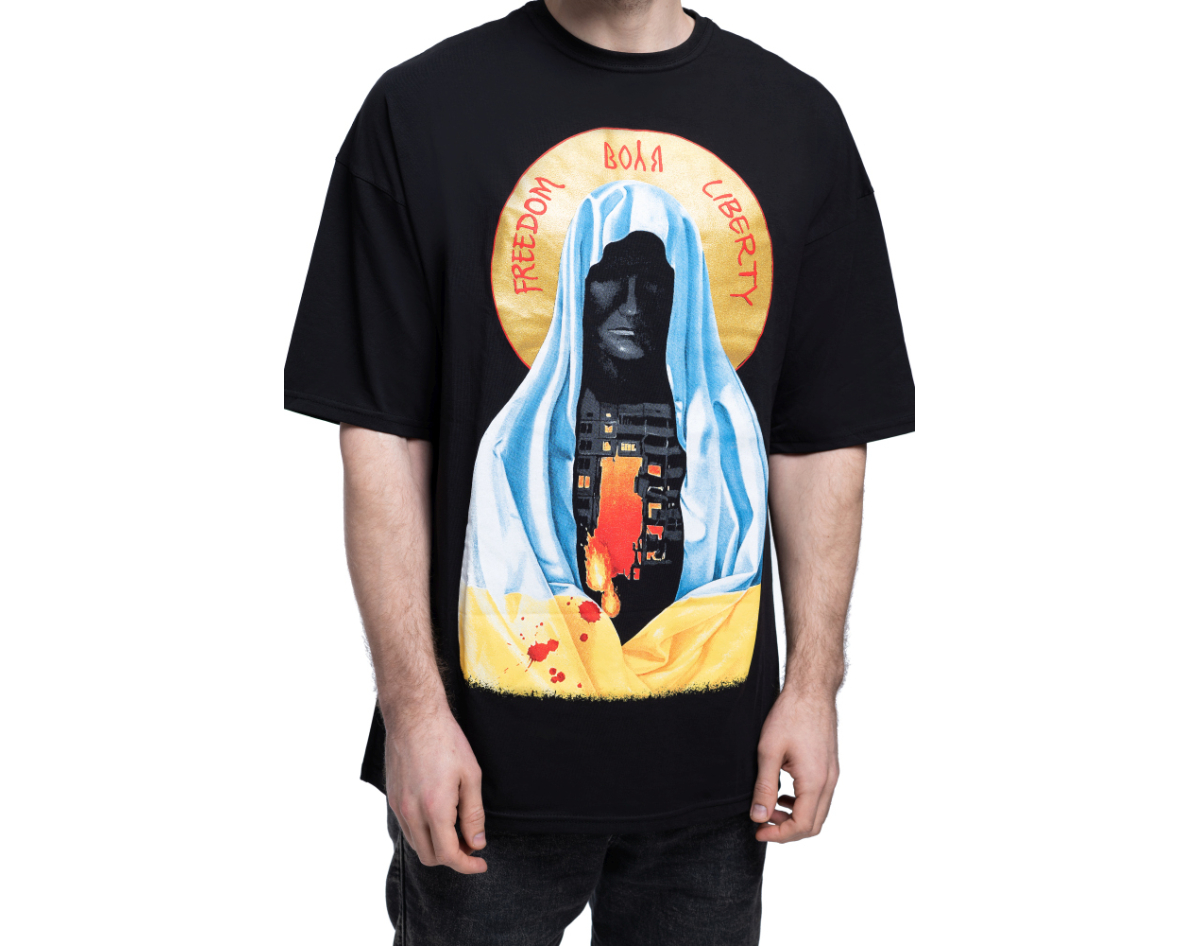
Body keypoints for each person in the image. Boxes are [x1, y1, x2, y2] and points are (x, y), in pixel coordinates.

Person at [284, 0, 914, 942]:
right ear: (573, 289)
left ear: (684, 297)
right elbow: (382, 438)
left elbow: (819, 438)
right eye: (606, 280)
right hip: (482, 777)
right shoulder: (420, 112)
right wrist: (414, 714)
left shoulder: (797, 122)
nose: (628, 305)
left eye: (652, 281)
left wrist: (813, 687)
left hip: (719, 775)